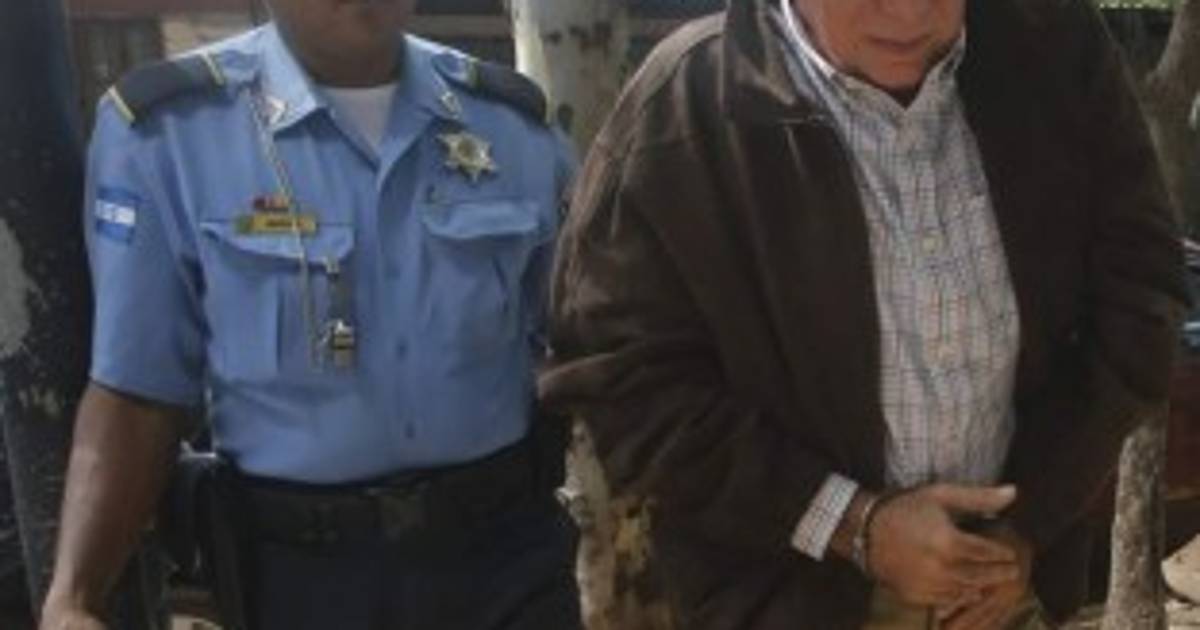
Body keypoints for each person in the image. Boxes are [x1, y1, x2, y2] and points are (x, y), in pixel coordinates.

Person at [540, 0, 1190, 628]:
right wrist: (852, 524)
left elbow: (1142, 294)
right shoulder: (683, 112)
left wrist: (1030, 520)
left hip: (1004, 589)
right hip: (782, 601)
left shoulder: (1055, 53)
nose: (908, 13)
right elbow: (620, 382)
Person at [40, 1, 580, 628]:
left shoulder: (512, 127)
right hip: (302, 575)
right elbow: (137, 392)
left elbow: (583, 348)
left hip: (505, 556)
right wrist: (75, 596)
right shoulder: (173, 134)